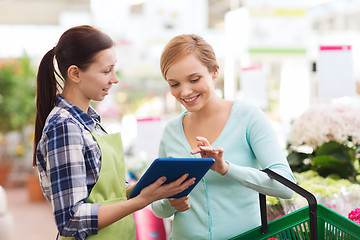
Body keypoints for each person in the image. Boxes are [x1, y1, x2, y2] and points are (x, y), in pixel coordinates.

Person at [33, 25, 195, 240]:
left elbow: (109, 196)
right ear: (75, 73)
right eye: (106, 70)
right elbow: (71, 220)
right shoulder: (64, 127)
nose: (115, 79)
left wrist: (154, 187)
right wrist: (141, 200)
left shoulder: (90, 121)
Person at [151, 34, 296, 240]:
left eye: (194, 79)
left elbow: (286, 186)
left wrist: (226, 169)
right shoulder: (171, 131)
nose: (185, 91)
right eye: (174, 84)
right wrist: (170, 202)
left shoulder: (248, 117)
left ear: (214, 72)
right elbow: (158, 207)